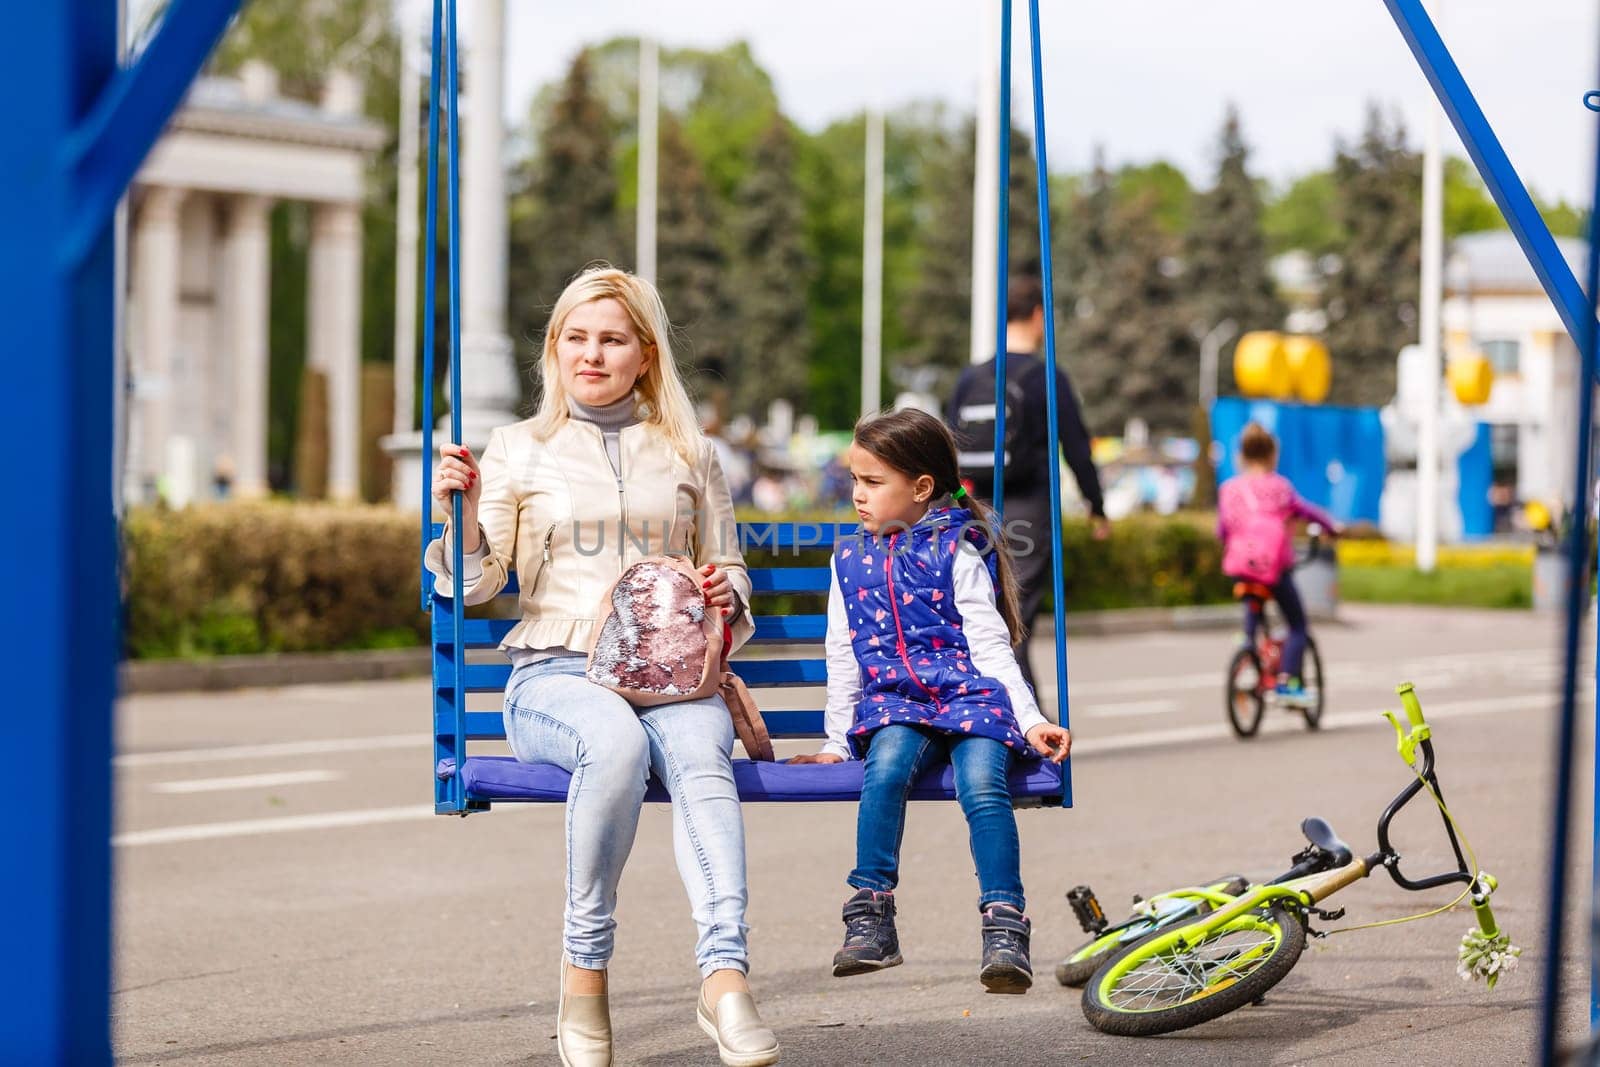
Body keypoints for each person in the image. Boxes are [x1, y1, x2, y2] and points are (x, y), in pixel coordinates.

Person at [426, 266, 780, 1067]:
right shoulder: (517, 447)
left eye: (612, 339)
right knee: (612, 743)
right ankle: (584, 973)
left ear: (645, 354)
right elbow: (475, 584)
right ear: (555, 350)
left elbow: (730, 566)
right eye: (577, 338)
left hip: (672, 676)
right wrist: (464, 515)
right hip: (555, 675)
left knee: (701, 753)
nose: (593, 353)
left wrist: (725, 588)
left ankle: (725, 979)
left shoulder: (691, 448)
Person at [789, 408, 1072, 993]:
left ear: (920, 488)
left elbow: (992, 648)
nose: (858, 496)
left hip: (970, 698)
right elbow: (843, 657)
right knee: (886, 767)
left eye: (873, 482)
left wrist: (1032, 719)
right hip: (897, 704)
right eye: (855, 481)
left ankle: (1004, 924)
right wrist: (836, 743)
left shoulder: (957, 551)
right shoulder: (849, 561)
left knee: (982, 782)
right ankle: (870, 916)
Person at [946, 275, 1108, 701]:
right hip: (1030, 513)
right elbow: (1075, 446)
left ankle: (1011, 719)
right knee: (1014, 624)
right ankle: (1022, 725)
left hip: (975, 512)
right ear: (1038, 315)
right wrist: (1097, 506)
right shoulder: (1045, 377)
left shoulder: (971, 377)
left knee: (983, 615)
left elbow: (945, 448)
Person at [1217, 423, 1343, 706]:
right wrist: (1331, 529)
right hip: (1274, 568)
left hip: (1240, 567)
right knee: (1298, 626)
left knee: (1251, 600)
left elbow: (1222, 531)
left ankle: (1248, 646)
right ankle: (1287, 683)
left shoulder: (1229, 490)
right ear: (1273, 455)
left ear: (1241, 456)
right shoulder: (1280, 488)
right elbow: (1309, 512)